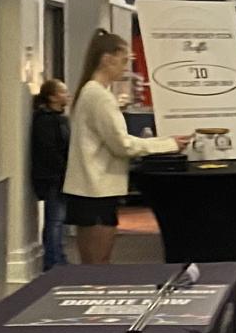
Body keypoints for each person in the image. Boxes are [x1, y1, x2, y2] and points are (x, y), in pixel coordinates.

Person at [65, 30, 188, 264]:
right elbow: (122, 145)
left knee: (93, 266)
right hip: (97, 190)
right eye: (123, 61)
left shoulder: (90, 93)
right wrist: (169, 144)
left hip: (92, 190)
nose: (125, 68)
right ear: (106, 59)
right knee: (98, 266)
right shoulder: (99, 96)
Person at [29, 78, 73, 270]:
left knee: (59, 219)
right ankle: (53, 261)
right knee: (55, 219)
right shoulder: (45, 121)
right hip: (53, 176)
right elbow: (49, 151)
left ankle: (59, 257)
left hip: (59, 175)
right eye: (63, 92)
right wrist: (64, 170)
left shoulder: (59, 119)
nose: (67, 95)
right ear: (52, 96)